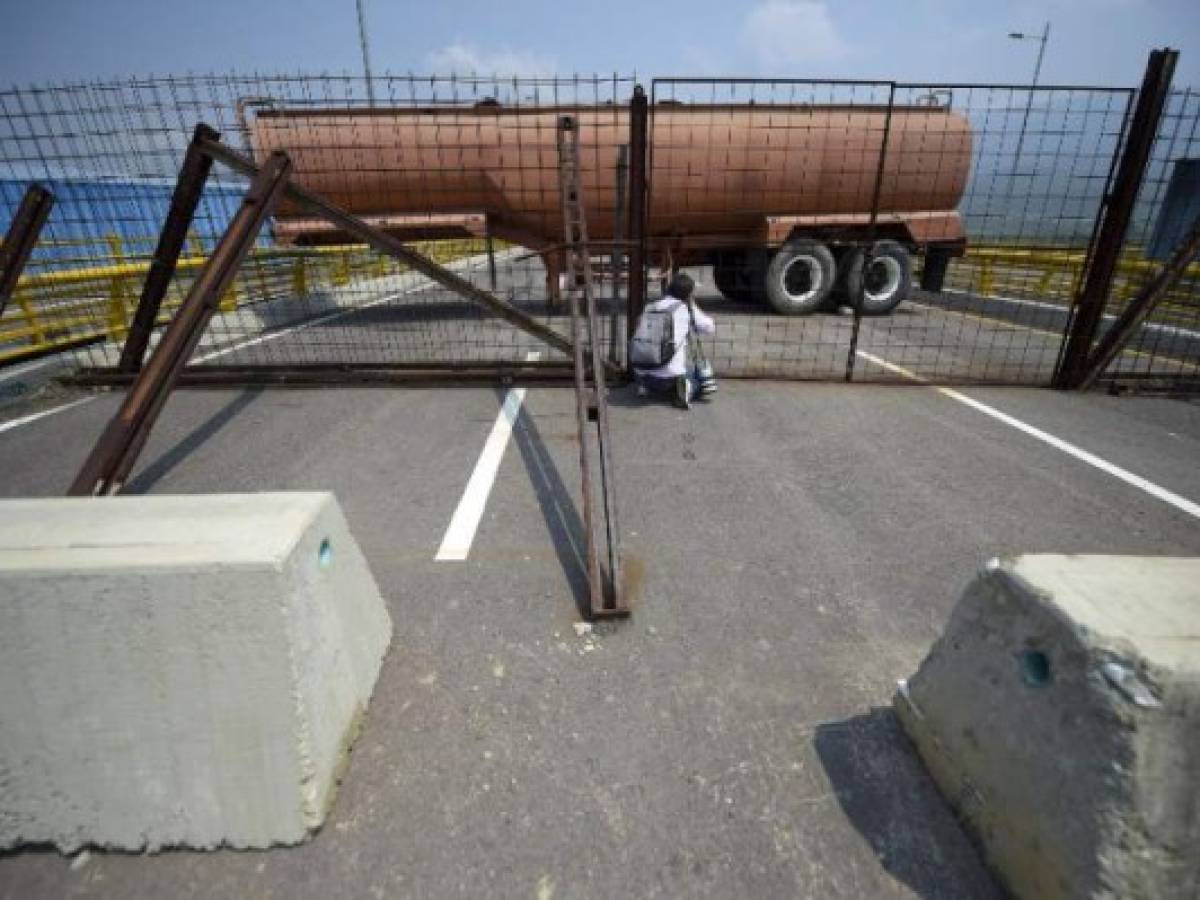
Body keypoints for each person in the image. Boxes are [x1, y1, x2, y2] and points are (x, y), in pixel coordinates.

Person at [631, 271, 715, 409]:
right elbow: (709, 327)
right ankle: (685, 389)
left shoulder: (650, 306)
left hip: (641, 372)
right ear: (688, 294)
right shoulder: (685, 308)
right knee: (701, 380)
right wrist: (692, 305)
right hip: (669, 378)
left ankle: (644, 388)